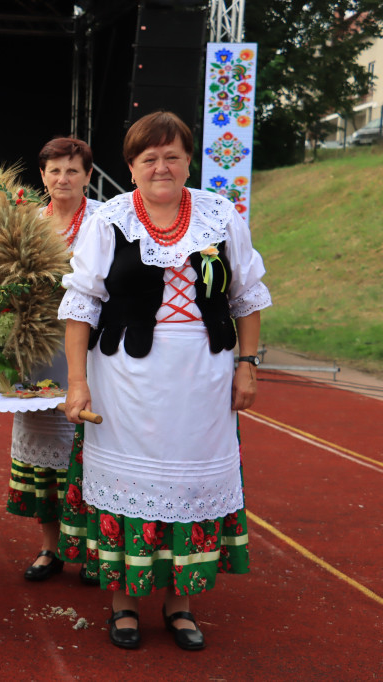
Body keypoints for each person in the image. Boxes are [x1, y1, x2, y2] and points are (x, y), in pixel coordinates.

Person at [60, 111, 271, 650]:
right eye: (148, 158)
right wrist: (77, 383)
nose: (161, 167)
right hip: (126, 379)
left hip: (203, 376)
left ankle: (180, 603)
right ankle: (125, 605)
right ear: (131, 167)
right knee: (131, 486)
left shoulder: (220, 216)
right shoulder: (108, 219)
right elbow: (82, 303)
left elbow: (246, 294)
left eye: (171, 155)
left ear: (188, 160)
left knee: (189, 485)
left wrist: (248, 363)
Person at [7, 137, 102, 585]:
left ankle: (88, 549)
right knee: (43, 462)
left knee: (84, 457)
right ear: (42, 176)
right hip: (39, 353)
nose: (63, 179)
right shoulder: (26, 222)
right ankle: (50, 548)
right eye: (54, 171)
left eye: (72, 170)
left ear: (87, 175)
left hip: (89, 352)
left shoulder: (104, 221)